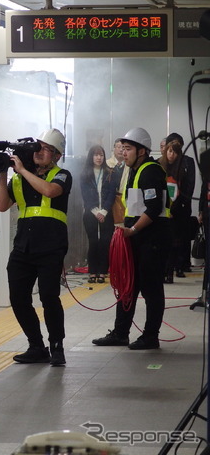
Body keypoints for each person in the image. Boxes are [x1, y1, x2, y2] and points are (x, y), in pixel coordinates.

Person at [0, 128, 71, 366]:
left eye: (46, 149)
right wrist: (2, 175)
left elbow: (50, 191)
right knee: (18, 298)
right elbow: (1, 205)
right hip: (23, 247)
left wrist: (23, 171)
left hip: (51, 246)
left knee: (49, 297)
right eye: (37, 147)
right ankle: (36, 345)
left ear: (57, 156)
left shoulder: (62, 175)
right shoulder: (19, 178)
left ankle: (56, 346)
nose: (39, 152)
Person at [92, 127, 172, 350]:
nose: (123, 153)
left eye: (128, 149)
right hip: (136, 237)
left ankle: (150, 336)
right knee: (128, 286)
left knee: (151, 288)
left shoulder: (150, 171)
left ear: (142, 151)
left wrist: (133, 229)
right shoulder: (134, 171)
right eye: (122, 148)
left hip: (151, 239)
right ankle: (120, 333)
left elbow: (155, 207)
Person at [159, 140, 194, 282]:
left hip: (177, 212)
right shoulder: (160, 167)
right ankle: (162, 271)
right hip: (162, 211)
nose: (170, 154)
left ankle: (170, 273)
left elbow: (185, 192)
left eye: (174, 151)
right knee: (162, 243)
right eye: (169, 151)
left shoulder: (182, 170)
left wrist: (174, 209)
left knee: (174, 244)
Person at [80, 145, 116, 283]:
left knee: (105, 242)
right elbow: (85, 196)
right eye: (96, 155)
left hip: (107, 212)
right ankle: (92, 271)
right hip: (90, 212)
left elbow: (112, 194)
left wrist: (104, 211)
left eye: (101, 155)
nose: (99, 158)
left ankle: (102, 272)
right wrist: (96, 211)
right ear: (91, 156)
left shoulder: (110, 172)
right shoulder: (85, 174)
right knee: (93, 242)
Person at [165, 132, 196, 272]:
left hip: (183, 205)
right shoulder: (164, 163)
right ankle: (169, 266)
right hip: (167, 207)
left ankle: (182, 264)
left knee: (183, 236)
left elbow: (190, 184)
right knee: (169, 238)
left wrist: (182, 201)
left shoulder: (188, 161)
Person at [107, 138, 129, 226]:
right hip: (108, 201)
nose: (121, 150)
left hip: (124, 201)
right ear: (114, 149)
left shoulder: (130, 165)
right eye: (118, 147)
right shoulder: (106, 164)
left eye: (123, 148)